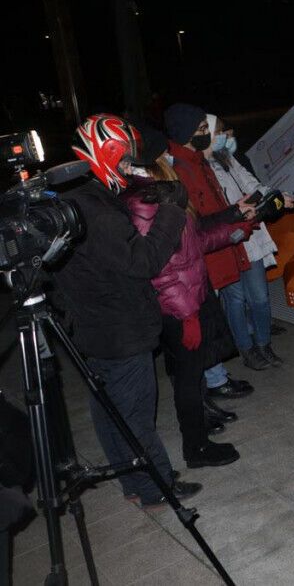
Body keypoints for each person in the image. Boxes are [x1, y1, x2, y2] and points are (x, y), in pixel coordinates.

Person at [52, 114, 201, 507]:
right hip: (120, 329)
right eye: (122, 160)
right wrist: (171, 210)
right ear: (106, 153)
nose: (127, 168)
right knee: (135, 413)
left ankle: (134, 484)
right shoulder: (95, 211)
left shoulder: (75, 198)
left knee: (108, 409)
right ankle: (157, 487)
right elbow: (144, 262)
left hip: (96, 328)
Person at [122, 149, 243, 469]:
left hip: (191, 299)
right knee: (187, 380)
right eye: (163, 152)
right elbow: (159, 269)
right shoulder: (144, 203)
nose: (170, 156)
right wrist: (187, 314)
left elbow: (193, 245)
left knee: (193, 376)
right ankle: (196, 448)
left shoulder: (165, 195)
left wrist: (232, 232)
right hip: (178, 309)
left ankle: (200, 436)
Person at [163, 103, 268, 387]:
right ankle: (214, 380)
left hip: (221, 240)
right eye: (201, 130)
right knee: (209, 315)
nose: (206, 135)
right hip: (204, 252)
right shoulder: (182, 168)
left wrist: (235, 214)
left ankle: (217, 376)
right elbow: (197, 222)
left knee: (216, 312)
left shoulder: (196, 162)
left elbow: (212, 209)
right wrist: (234, 219)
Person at [206, 114, 294, 367]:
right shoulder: (201, 169)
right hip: (226, 240)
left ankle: (264, 344)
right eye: (219, 133)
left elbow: (252, 184)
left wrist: (276, 197)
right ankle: (246, 349)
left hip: (250, 235)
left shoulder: (228, 159)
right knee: (235, 299)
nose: (225, 137)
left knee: (260, 297)